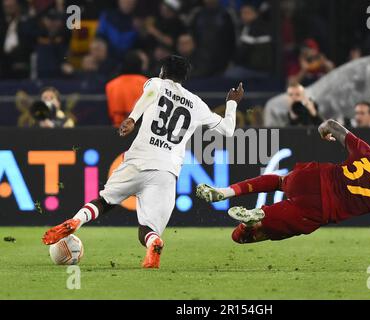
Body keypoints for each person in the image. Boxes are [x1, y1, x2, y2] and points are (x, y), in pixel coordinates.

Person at [42, 55, 244, 269]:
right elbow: (228, 130)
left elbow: (148, 95)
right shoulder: (197, 104)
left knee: (105, 201)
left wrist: (132, 118)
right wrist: (232, 102)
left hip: (139, 159)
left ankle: (76, 221)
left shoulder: (156, 83)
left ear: (163, 72)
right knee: (147, 230)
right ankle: (154, 242)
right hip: (166, 171)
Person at [196, 119, 370, 270]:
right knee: (240, 237)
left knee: (280, 181)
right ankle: (258, 218)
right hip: (317, 208)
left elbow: (331, 125)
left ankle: (226, 191)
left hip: (312, 176)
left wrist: (324, 131)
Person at [105, 50, 148, 127]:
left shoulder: (110, 85)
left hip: (116, 129)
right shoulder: (147, 84)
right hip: (141, 129)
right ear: (140, 65)